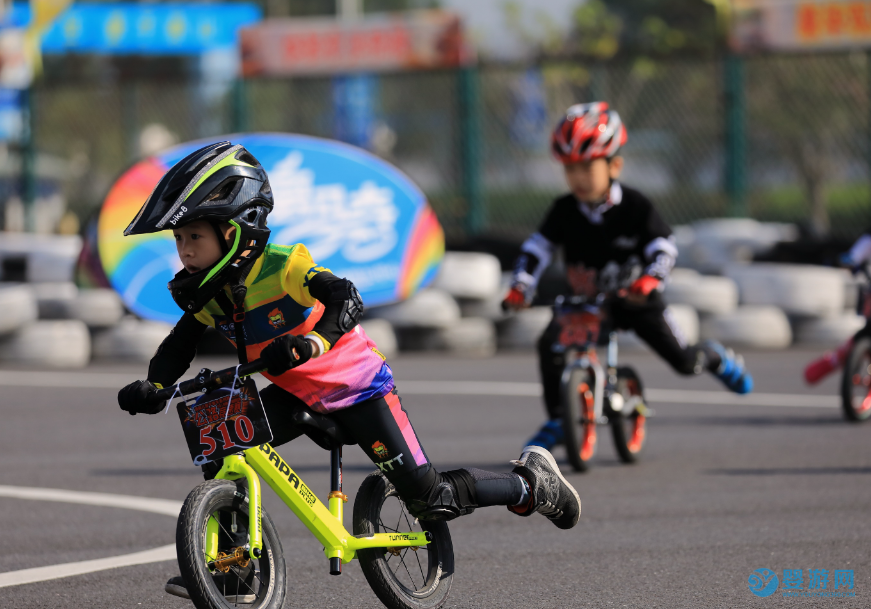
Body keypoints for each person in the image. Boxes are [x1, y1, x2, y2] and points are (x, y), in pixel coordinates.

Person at [116, 141, 581, 602]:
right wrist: (154, 386)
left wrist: (313, 341)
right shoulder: (210, 292)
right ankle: (231, 571)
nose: (184, 251)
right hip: (297, 395)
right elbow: (179, 344)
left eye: (193, 237)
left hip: (360, 390)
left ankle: (531, 484)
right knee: (222, 442)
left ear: (236, 231)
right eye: (179, 240)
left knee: (430, 496)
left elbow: (347, 299)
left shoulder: (284, 266)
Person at [502, 102, 754, 451]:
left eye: (587, 166)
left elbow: (663, 247)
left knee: (684, 362)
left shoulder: (635, 207)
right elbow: (536, 250)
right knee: (550, 344)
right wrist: (520, 285)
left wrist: (651, 279)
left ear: (614, 165)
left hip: (634, 299)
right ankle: (560, 419)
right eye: (570, 168)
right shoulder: (563, 210)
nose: (578, 177)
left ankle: (713, 357)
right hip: (586, 303)